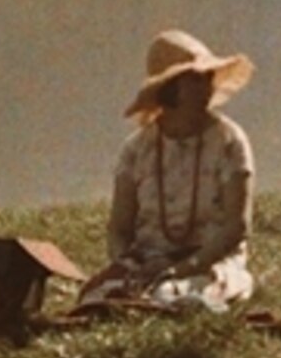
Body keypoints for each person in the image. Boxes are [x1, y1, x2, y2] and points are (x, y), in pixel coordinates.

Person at [79, 29, 258, 312]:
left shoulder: (230, 141)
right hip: (149, 260)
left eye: (207, 78)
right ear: (170, 90)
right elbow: (119, 228)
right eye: (194, 81)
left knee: (184, 294)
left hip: (209, 260)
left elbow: (236, 227)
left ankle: (172, 300)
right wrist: (127, 265)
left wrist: (186, 267)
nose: (206, 88)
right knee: (100, 295)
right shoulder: (137, 149)